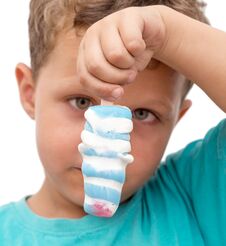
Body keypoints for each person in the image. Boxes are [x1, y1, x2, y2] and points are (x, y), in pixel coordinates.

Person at [0, 0, 225, 245]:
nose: (108, 145)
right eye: (82, 101)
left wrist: (170, 34)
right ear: (29, 93)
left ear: (176, 119)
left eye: (142, 114)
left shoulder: (194, 194)